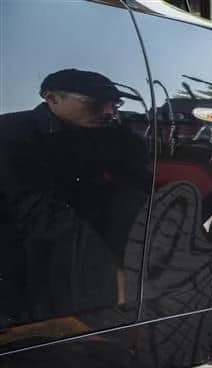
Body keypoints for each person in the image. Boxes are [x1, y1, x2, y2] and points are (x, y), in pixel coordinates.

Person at [0, 69, 150, 327]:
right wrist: (102, 259)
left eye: (114, 105)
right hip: (25, 263)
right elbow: (28, 207)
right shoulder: (12, 134)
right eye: (95, 103)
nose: (107, 112)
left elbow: (135, 192)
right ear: (52, 98)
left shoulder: (113, 138)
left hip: (87, 264)